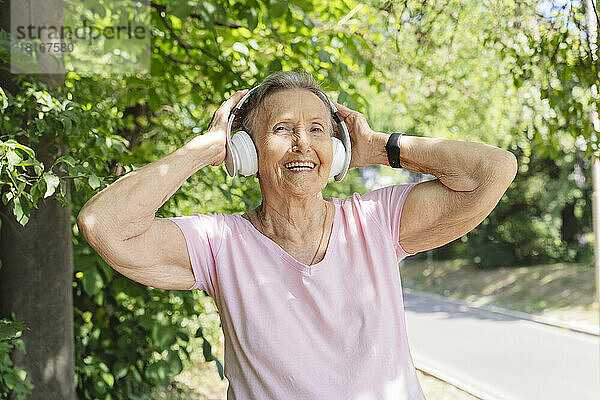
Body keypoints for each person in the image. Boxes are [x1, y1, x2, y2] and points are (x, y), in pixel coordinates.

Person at [77, 71, 517, 399]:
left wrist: (382, 147)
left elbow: (494, 170)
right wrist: (204, 149)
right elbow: (104, 226)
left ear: (338, 152)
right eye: (283, 129)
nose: (303, 144)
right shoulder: (220, 244)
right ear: (247, 152)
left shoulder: (377, 221)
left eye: (318, 130)